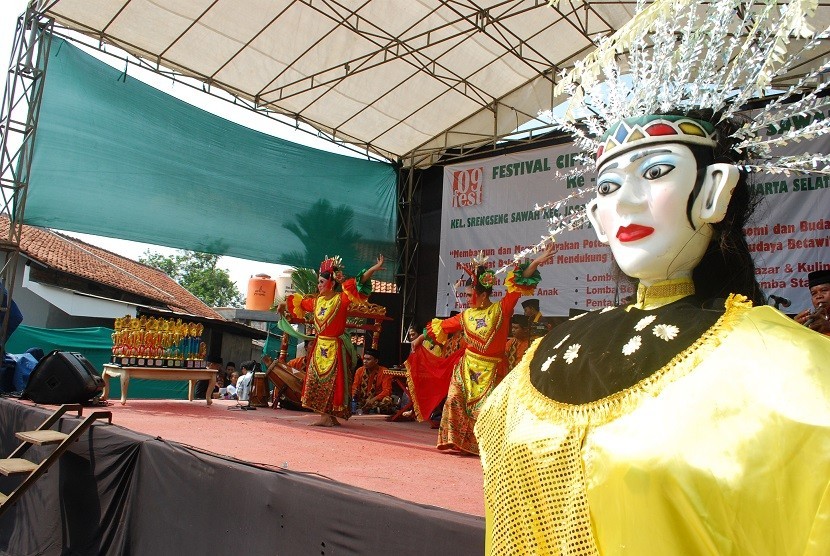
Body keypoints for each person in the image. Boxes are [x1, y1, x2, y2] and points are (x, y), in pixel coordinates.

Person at [475, 3, 830, 554]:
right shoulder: (541, 359)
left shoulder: (793, 374)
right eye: (610, 186)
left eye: (658, 172)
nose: (628, 201)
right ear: (596, 220)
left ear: (714, 190)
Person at [413, 244, 554, 455]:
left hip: (492, 368)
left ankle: (482, 446)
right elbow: (442, 326)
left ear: (482, 293)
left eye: (470, 293)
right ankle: (455, 440)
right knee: (454, 401)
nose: (468, 297)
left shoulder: (501, 309)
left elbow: (516, 288)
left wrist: (534, 262)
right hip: (466, 366)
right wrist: (418, 340)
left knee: (486, 409)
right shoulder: (466, 315)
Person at [279, 254, 385, 426]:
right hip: (320, 346)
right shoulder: (316, 301)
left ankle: (329, 417)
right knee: (316, 380)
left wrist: (373, 269)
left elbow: (357, 284)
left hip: (335, 348)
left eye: (321, 282)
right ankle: (325, 417)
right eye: (319, 282)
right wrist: (283, 305)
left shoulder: (341, 299)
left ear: (332, 282)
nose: (319, 285)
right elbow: (298, 303)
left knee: (333, 382)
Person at [350, 347, 395, 415]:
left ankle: (374, 409)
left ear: (376, 361)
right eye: (364, 358)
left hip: (377, 401)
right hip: (361, 400)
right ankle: (372, 409)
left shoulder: (384, 371)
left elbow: (387, 391)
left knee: (387, 400)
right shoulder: (359, 370)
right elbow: (354, 386)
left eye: (368, 359)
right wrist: (353, 396)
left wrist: (373, 399)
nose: (365, 361)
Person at [794, 269, 830, 335]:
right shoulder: (810, 320)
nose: (818, 296)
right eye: (814, 293)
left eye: (824, 290)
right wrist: (795, 328)